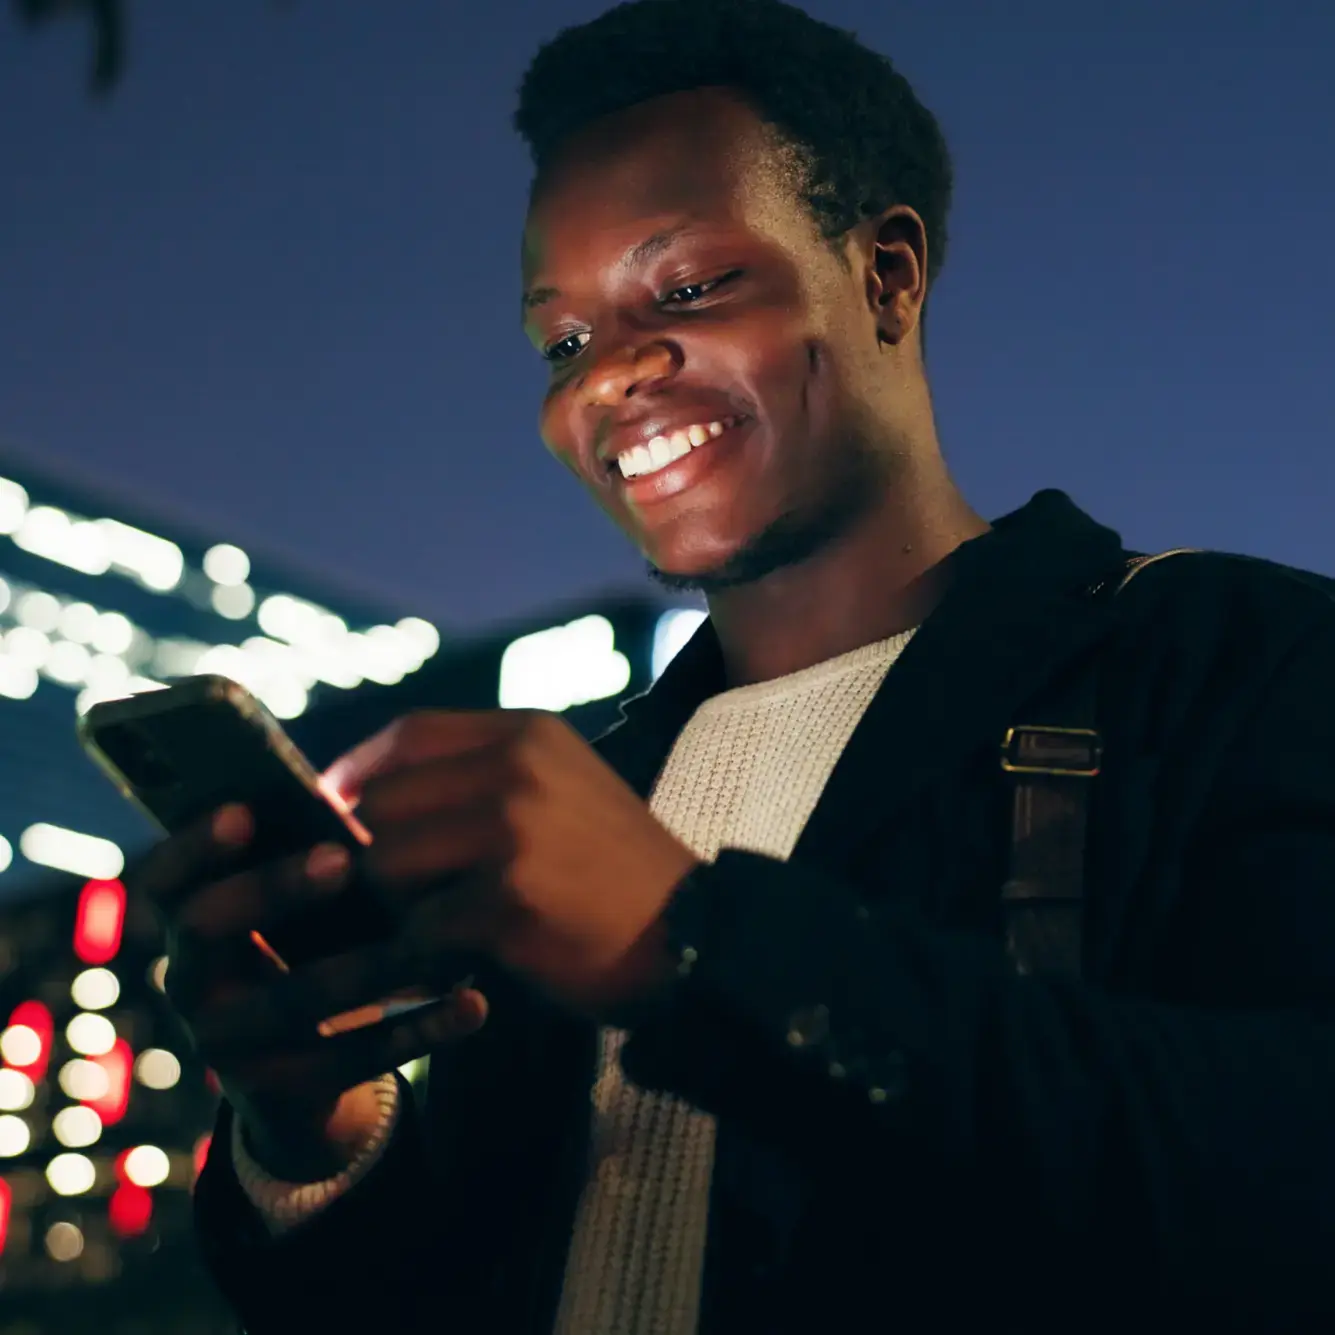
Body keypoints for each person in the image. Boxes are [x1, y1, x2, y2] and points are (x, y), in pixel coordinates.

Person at [134, 1, 1335, 1330]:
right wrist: (314, 1141)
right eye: (562, 341)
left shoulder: (1232, 661)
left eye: (687, 288)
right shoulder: (572, 799)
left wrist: (693, 945)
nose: (610, 379)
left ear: (885, 275)